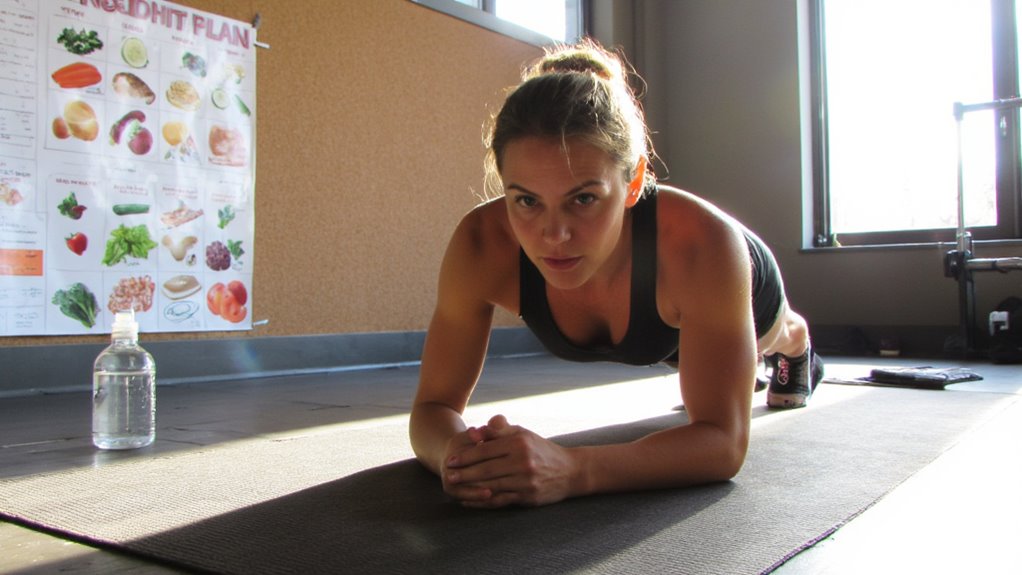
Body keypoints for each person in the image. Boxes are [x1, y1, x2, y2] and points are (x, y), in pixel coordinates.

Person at [409, 39, 823, 509]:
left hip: (729, 284)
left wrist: (574, 470)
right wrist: (460, 457)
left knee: (775, 335)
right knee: (688, 362)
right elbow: (432, 409)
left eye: (583, 198)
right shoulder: (482, 244)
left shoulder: (702, 247)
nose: (553, 235)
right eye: (526, 200)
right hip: (666, 319)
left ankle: (799, 347)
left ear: (632, 182)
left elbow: (723, 445)